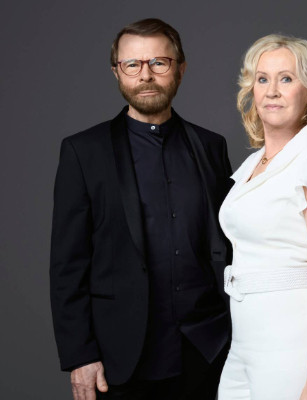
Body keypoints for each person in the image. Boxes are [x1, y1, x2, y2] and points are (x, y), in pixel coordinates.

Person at [50, 18, 233, 400]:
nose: (145, 75)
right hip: (119, 357)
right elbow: (68, 265)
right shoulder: (83, 152)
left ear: (180, 69)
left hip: (207, 352)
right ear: (117, 72)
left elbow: (229, 244)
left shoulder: (211, 146)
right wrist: (80, 355)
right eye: (132, 64)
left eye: (158, 63)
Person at [216, 34, 307, 400]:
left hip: (292, 346)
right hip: (244, 343)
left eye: (286, 79)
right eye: (262, 79)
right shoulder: (252, 165)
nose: (272, 91)